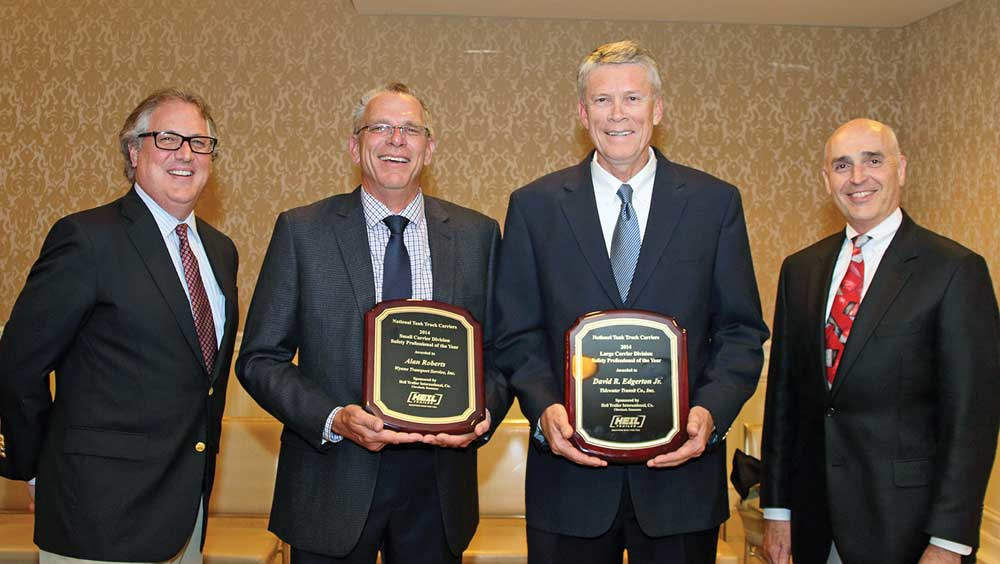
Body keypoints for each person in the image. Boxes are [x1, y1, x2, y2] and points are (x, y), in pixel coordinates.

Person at [493, 40, 769, 564]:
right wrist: (542, 406)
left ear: (657, 109)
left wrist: (711, 413)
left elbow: (740, 331)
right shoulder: (534, 206)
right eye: (601, 101)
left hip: (680, 482)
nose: (617, 114)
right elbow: (516, 332)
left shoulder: (715, 204)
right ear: (582, 113)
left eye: (632, 99)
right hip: (569, 481)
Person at [236, 82, 510, 564]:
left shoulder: (478, 236)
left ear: (429, 149)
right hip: (332, 480)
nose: (396, 140)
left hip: (438, 489)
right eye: (380, 127)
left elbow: (503, 354)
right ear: (354, 145)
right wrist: (333, 418)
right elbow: (260, 358)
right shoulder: (302, 231)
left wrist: (481, 415)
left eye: (410, 130)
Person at [0, 88, 239, 563]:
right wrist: (34, 467)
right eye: (168, 139)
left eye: (199, 142)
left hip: (185, 512)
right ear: (134, 151)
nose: (186, 154)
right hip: (98, 513)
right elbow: (16, 364)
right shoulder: (87, 239)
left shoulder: (220, 251)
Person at [760, 118, 1000, 564]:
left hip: (909, 529)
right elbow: (783, 402)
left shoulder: (953, 271)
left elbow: (973, 419)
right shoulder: (801, 270)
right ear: (826, 179)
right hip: (815, 524)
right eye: (842, 165)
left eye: (873, 161)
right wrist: (777, 509)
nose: (857, 178)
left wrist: (948, 541)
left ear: (901, 168)